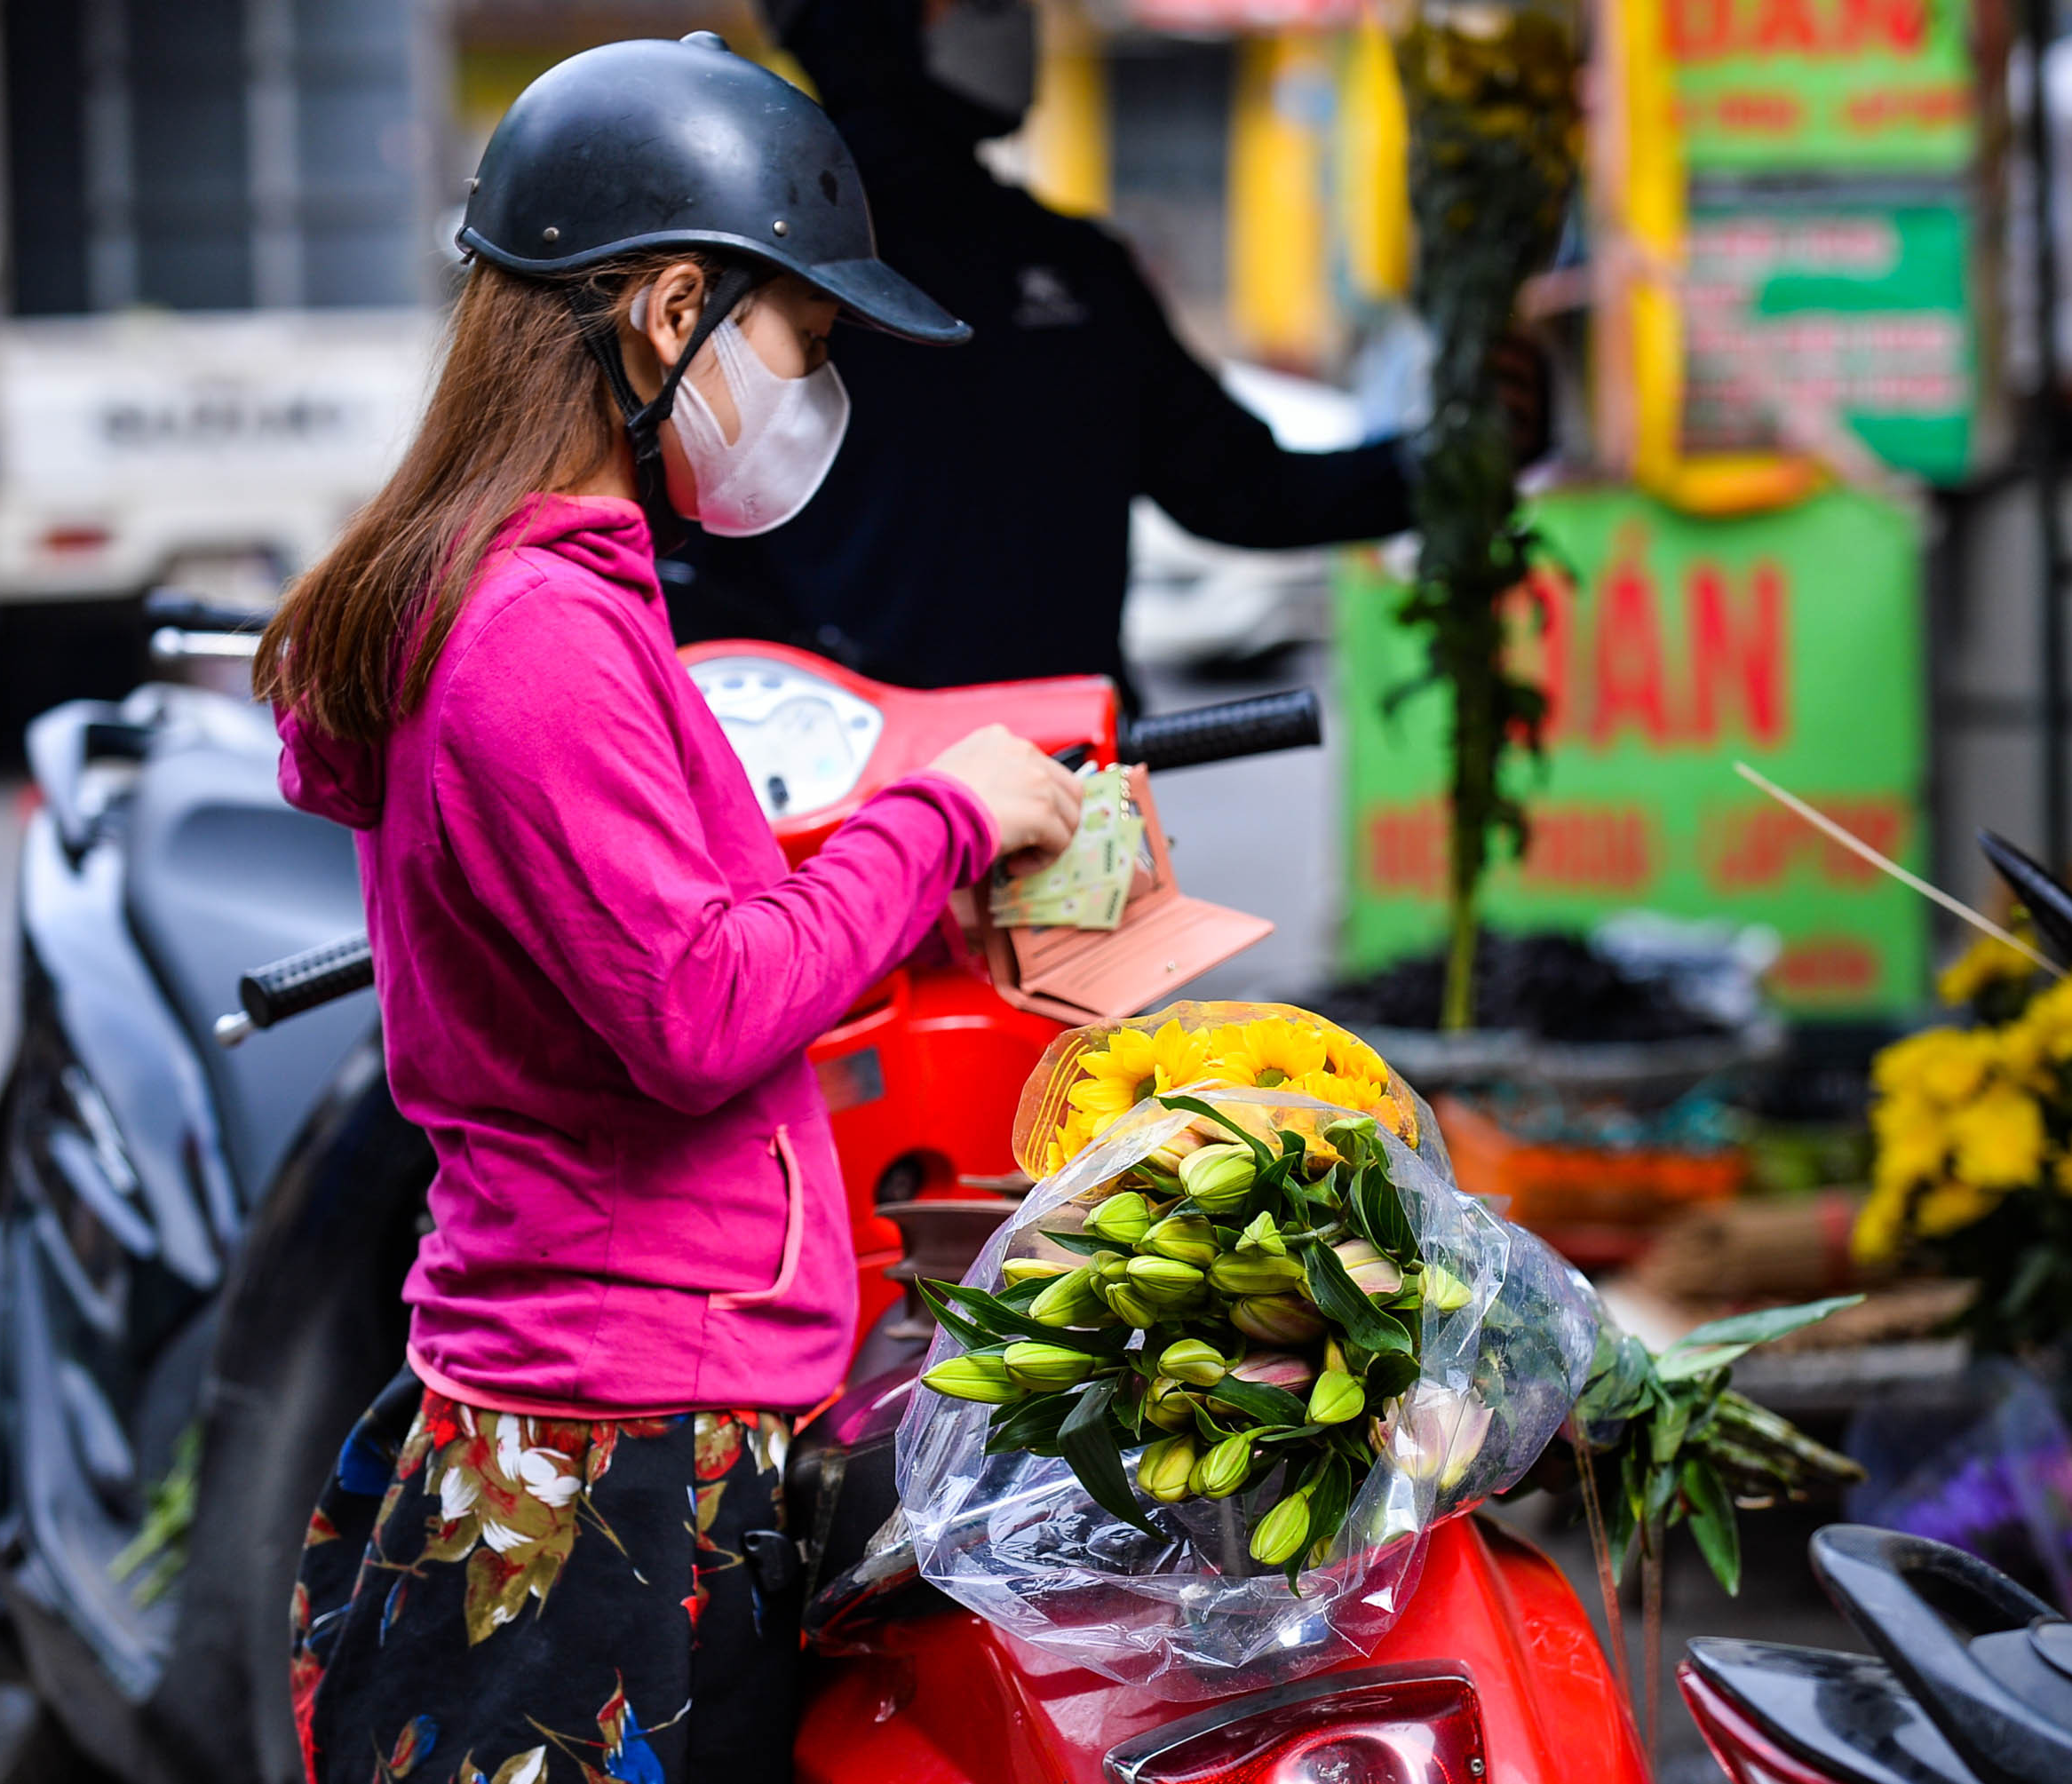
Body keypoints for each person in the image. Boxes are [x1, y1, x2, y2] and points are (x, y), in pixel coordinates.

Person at [257, 36, 1080, 1784]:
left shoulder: (559, 596)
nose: (816, 385)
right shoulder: (533, 634)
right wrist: (942, 817)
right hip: (606, 1421)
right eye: (808, 338)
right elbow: (698, 999)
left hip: (631, 1397)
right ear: (673, 308)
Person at [664, 0, 1417, 701]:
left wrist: (1448, 461)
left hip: (1076, 791)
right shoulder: (751, 273)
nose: (1017, 20)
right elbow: (684, 559)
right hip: (852, 800)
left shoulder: (1079, 269)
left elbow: (1239, 488)